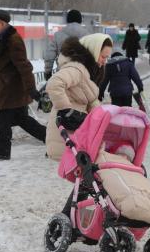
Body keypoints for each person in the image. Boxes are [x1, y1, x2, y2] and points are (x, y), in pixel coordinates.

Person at [0, 10, 46, 162]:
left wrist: (32, 90)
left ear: (2, 24)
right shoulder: (6, 39)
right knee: (23, 120)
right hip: (11, 88)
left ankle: (3, 152)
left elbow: (24, 66)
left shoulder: (13, 40)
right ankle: (51, 139)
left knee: (4, 121)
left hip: (12, 90)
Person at [45, 33, 113, 161]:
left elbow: (91, 101)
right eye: (103, 56)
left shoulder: (86, 72)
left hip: (75, 135)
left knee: (84, 177)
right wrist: (66, 110)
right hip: (65, 135)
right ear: (94, 50)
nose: (105, 61)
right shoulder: (76, 68)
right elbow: (54, 84)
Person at [44, 9, 88, 81]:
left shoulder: (58, 35)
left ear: (67, 20)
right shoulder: (87, 35)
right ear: (80, 20)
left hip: (62, 74)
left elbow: (49, 55)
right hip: (82, 76)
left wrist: (48, 72)